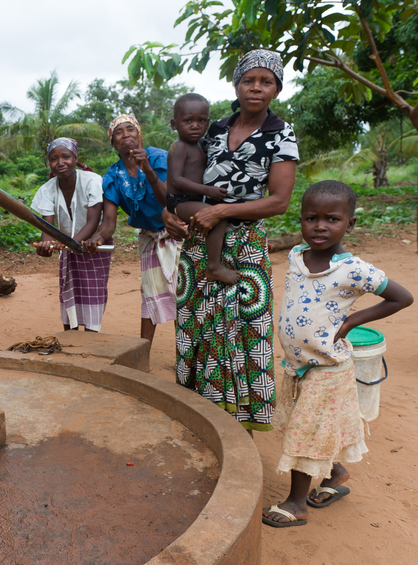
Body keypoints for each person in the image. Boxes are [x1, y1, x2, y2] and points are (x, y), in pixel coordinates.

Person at [262, 181, 413, 527]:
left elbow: (402, 298)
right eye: (310, 218)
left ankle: (297, 503)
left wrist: (352, 320)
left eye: (331, 219)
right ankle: (336, 473)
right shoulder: (296, 255)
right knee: (316, 430)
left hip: (327, 369)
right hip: (297, 365)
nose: (319, 226)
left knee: (305, 434)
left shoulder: (353, 269)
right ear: (300, 220)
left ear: (350, 224)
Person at [164, 49, 298, 432]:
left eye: (265, 81)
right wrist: (169, 215)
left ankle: (243, 424)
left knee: (247, 328)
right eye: (248, 80)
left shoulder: (280, 134)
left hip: (245, 246)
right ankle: (201, 418)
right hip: (201, 241)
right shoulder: (215, 128)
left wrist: (221, 211)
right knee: (197, 326)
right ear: (237, 84)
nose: (256, 87)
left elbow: (279, 202)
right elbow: (184, 179)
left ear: (276, 88)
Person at [84, 114, 180, 342]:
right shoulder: (112, 176)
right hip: (149, 237)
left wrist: (147, 169)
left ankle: (186, 356)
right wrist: (96, 238)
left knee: (183, 294)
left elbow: (171, 201)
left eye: (130, 129)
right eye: (119, 132)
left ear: (139, 134)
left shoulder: (158, 158)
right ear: (113, 142)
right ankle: (143, 352)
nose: (126, 134)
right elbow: (108, 222)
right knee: (150, 294)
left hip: (179, 233)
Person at [32, 138, 110, 332]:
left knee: (93, 292)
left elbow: (93, 221)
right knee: (69, 291)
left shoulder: (92, 181)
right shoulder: (47, 190)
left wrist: (68, 242)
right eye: (54, 159)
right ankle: (71, 340)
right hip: (68, 246)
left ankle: (91, 339)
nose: (60, 163)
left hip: (94, 245)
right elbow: (47, 229)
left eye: (66, 157)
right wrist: (46, 246)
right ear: (49, 163)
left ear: (76, 158)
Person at [166, 93, 238, 285]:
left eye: (202, 120)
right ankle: (214, 266)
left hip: (193, 200)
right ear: (174, 124)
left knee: (212, 217)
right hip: (180, 201)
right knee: (216, 215)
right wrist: (207, 190)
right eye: (188, 121)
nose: (195, 125)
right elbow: (176, 179)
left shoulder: (201, 144)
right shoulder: (179, 147)